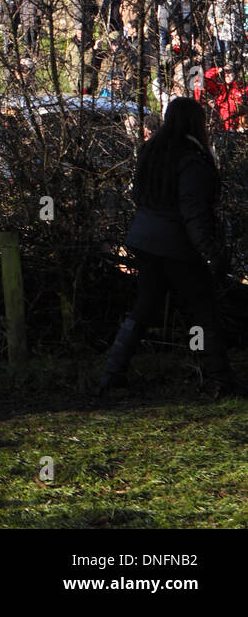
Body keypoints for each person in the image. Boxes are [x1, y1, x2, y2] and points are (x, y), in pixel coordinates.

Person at [99, 97, 244, 397]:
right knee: (202, 311)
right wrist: (212, 254)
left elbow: (139, 196)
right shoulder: (191, 159)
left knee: (145, 307)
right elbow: (194, 214)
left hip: (145, 240)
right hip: (175, 245)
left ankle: (113, 374)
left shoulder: (152, 151)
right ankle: (217, 378)